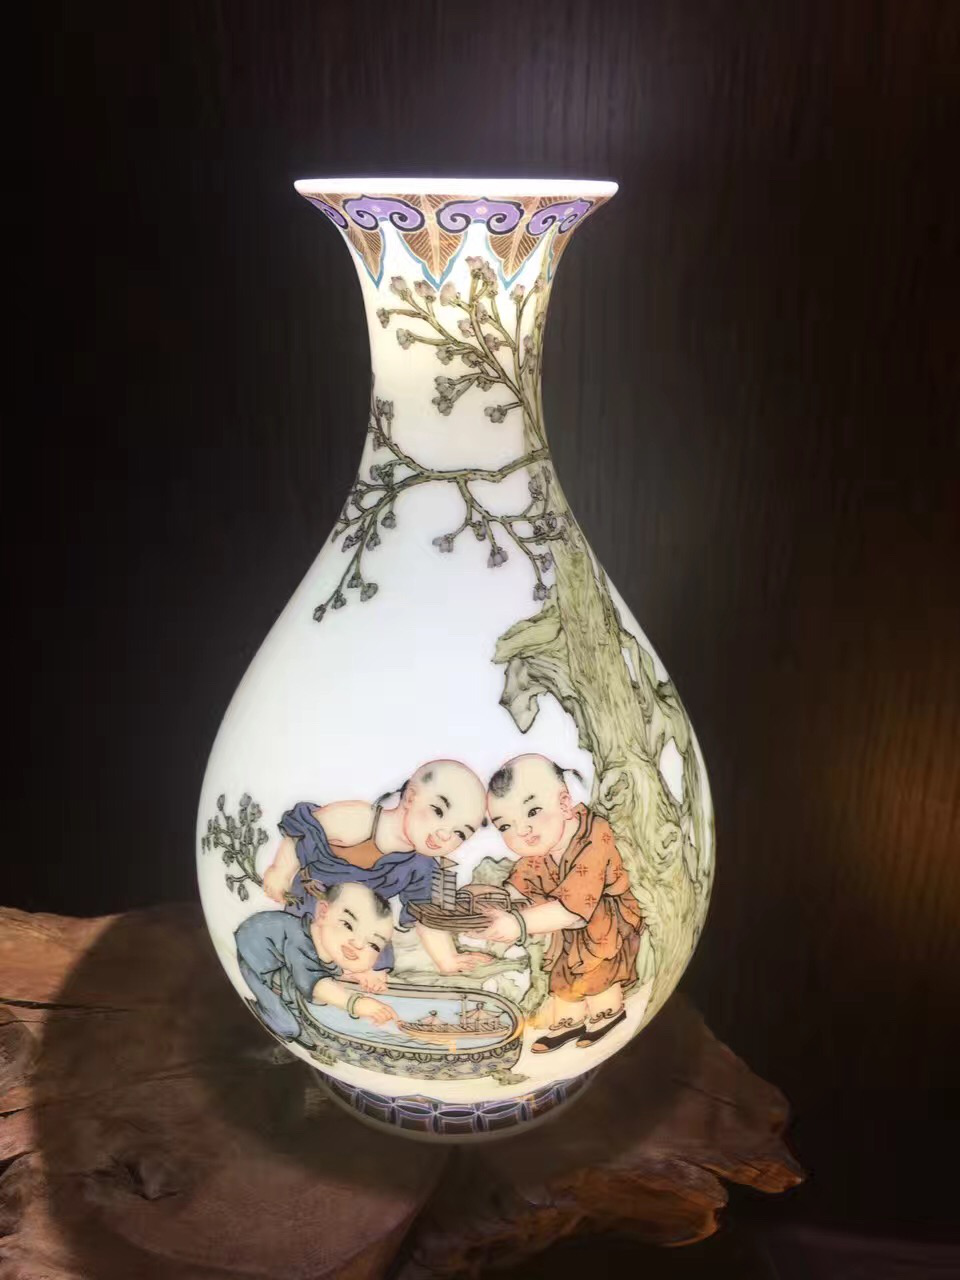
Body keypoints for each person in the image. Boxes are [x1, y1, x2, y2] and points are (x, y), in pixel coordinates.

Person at [477, 754, 645, 1053]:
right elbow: (520, 883)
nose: (522, 831)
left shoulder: (594, 835)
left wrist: (518, 924)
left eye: (533, 811)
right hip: (565, 925)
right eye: (505, 826)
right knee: (563, 972)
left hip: (606, 920)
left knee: (597, 969)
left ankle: (607, 1012)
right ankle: (570, 1021)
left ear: (565, 803)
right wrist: (495, 903)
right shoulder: (542, 845)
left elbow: (575, 909)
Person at [261, 759, 488, 980]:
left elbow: (426, 917)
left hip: (365, 929)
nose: (445, 835)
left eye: (460, 833)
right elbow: (301, 831)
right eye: (438, 811)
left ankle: (356, 977)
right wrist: (281, 870)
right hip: (316, 909)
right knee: (309, 949)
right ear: (411, 797)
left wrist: (447, 960)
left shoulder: (422, 865)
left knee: (376, 959)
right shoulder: (359, 819)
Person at [235, 881, 397, 1045]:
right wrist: (357, 1004)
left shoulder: (328, 947)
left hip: (283, 962)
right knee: (288, 1026)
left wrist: (358, 973)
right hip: (256, 959)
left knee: (306, 998)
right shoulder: (299, 940)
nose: (358, 944)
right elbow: (315, 984)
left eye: (374, 945)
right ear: (322, 912)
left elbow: (324, 969)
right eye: (348, 925)